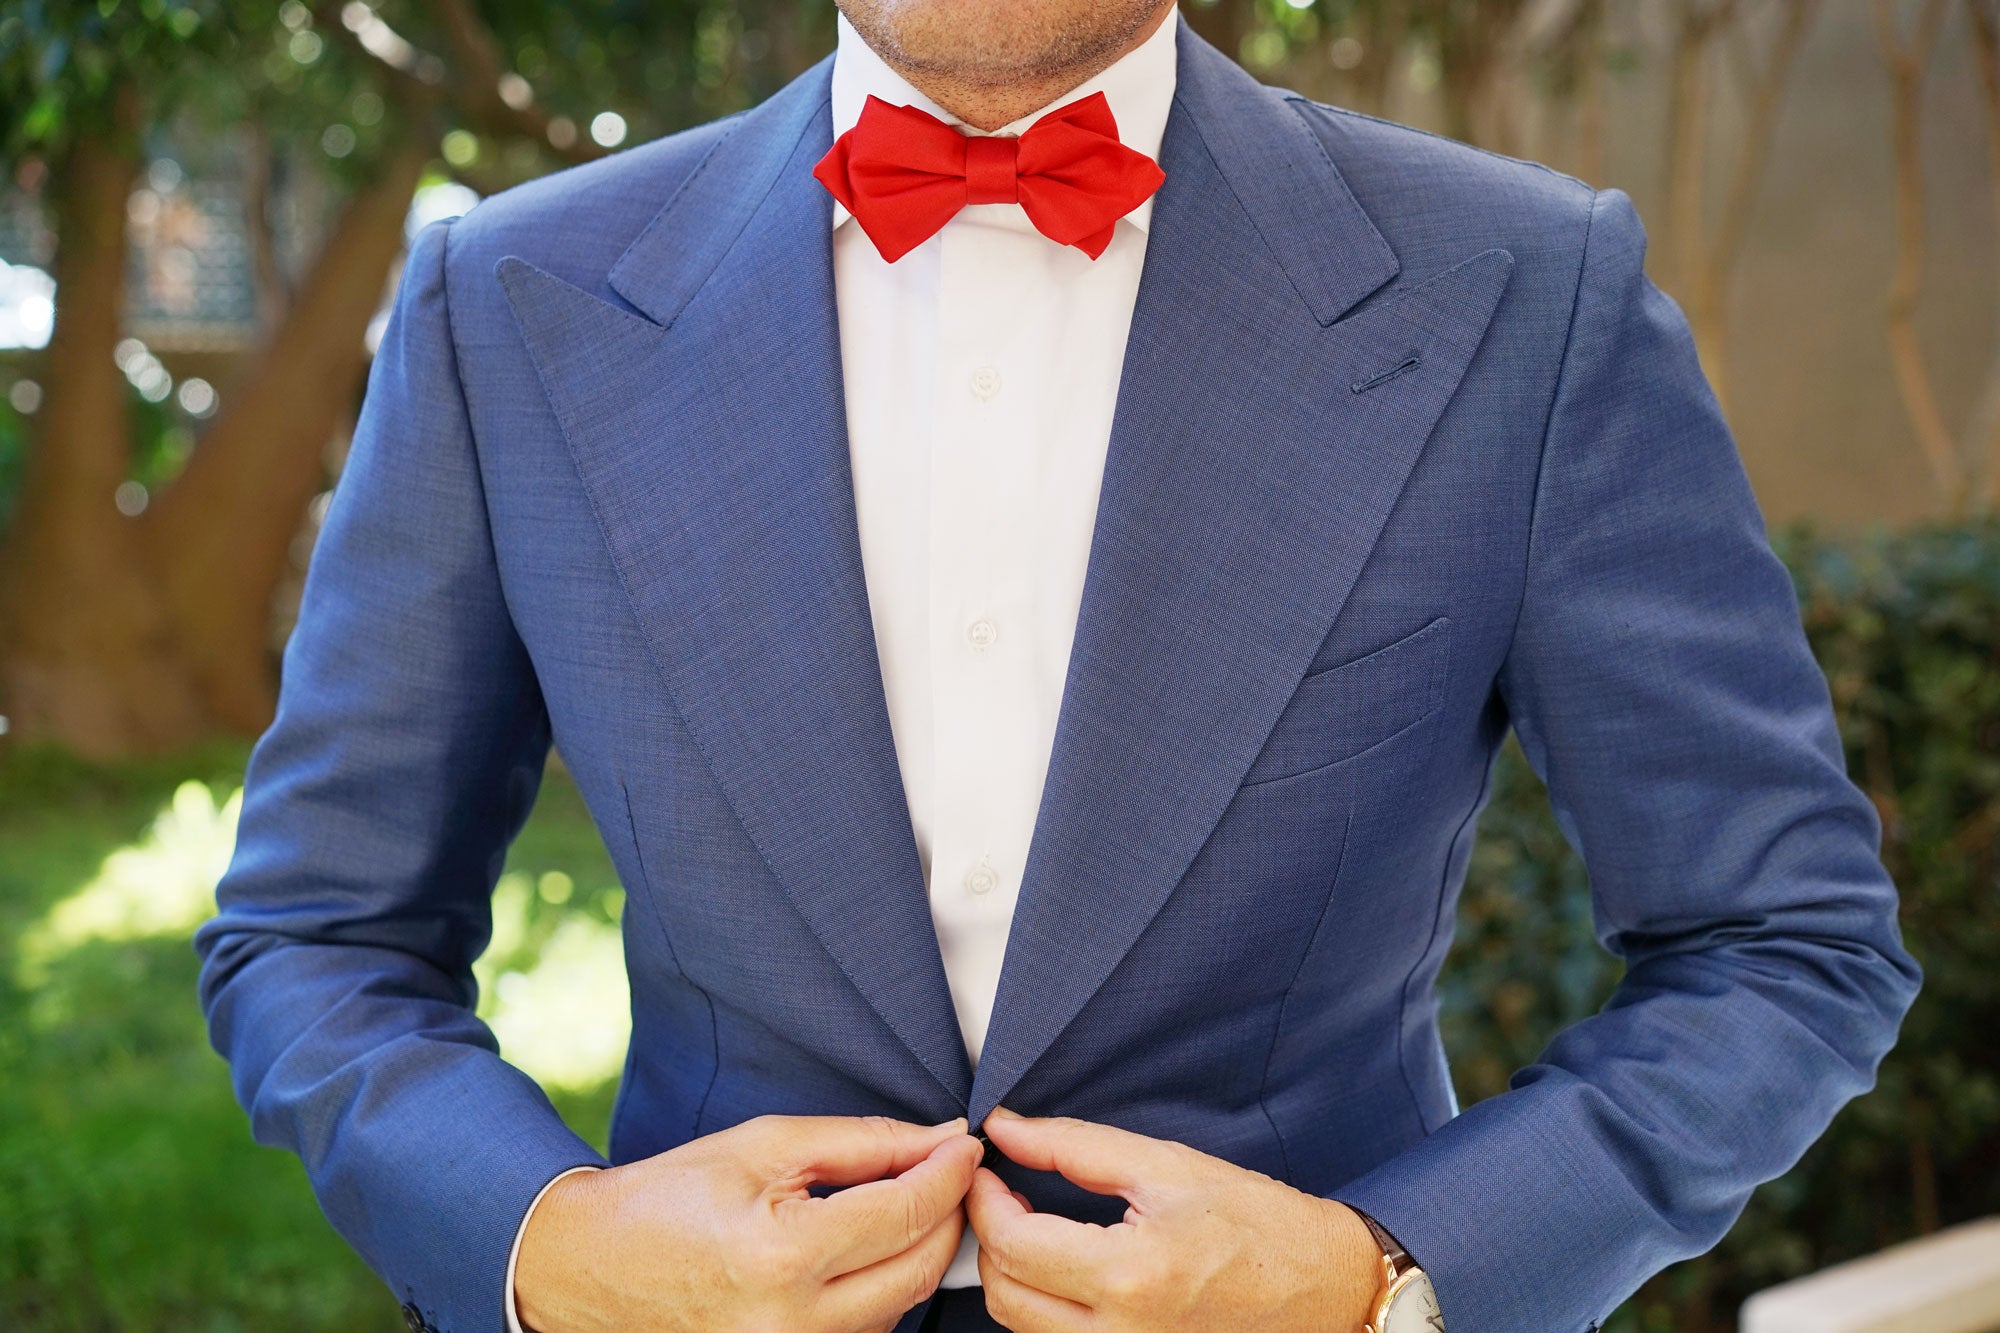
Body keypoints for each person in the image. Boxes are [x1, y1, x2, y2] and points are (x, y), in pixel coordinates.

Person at [194, 0, 1922, 1329]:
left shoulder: (1528, 295)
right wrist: (549, 1247)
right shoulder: (504, 304)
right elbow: (316, 934)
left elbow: (1783, 943)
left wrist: (1378, 1274)